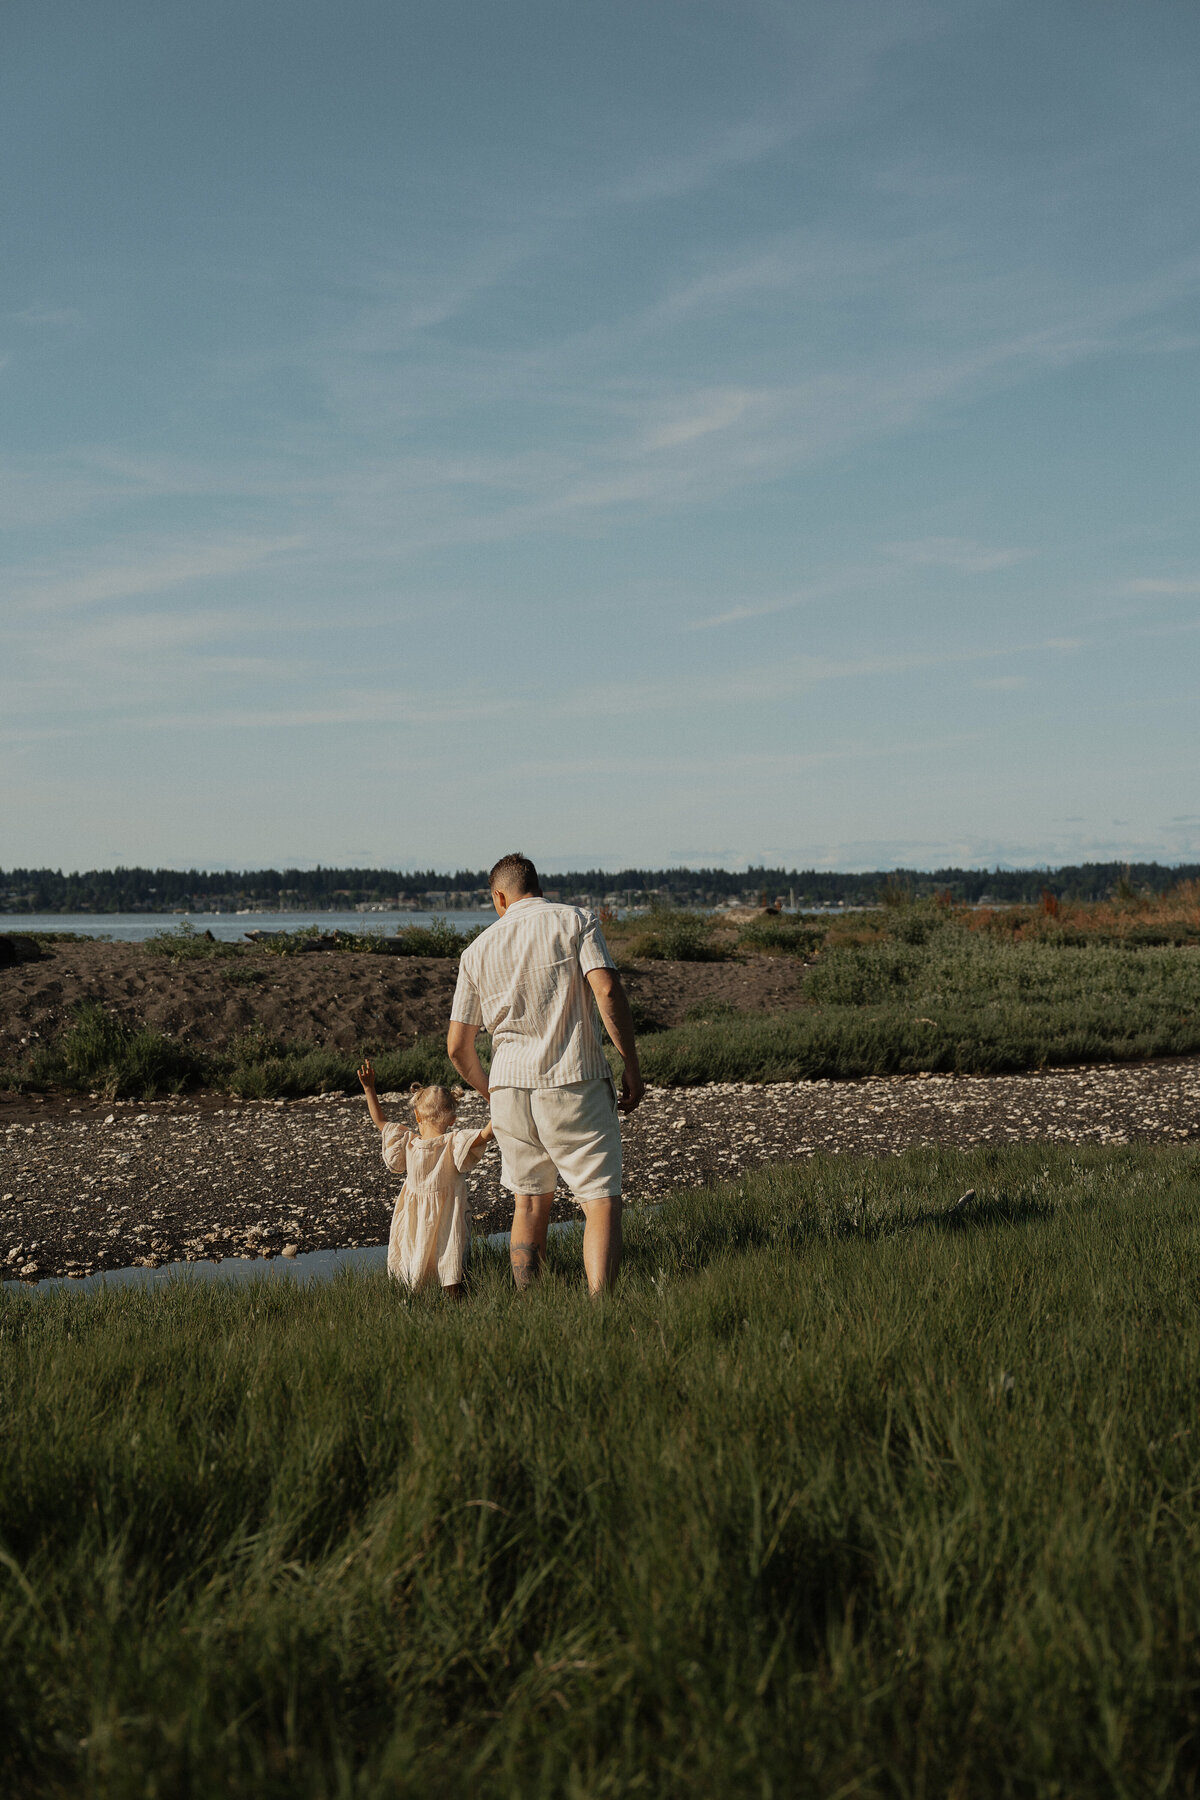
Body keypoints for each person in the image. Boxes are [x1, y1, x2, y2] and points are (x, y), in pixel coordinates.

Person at [446, 851, 644, 1296]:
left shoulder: (476, 950)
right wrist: (630, 1063)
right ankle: (601, 1305)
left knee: (530, 1200)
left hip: (510, 1088)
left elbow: (458, 1048)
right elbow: (607, 989)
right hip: (573, 1077)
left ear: (500, 896)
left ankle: (530, 1302)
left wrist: (490, 1093)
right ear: (536, 884)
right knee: (598, 1197)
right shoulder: (575, 921)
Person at [356, 1060, 493, 1295]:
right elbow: (487, 1133)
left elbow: (380, 1122)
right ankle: (454, 1299)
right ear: (452, 1120)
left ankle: (417, 1295)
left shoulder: (407, 1142)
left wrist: (369, 1088)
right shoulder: (455, 1142)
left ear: (417, 1116)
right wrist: (499, 1100)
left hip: (415, 1215)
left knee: (415, 1250)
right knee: (450, 1253)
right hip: (449, 1216)